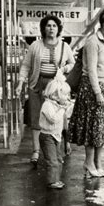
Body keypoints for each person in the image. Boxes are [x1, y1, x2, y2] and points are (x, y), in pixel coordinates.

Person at [68, 9, 104, 177]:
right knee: (92, 127)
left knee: (101, 128)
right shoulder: (92, 42)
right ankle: (88, 162)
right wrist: (98, 93)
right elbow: (91, 70)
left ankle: (97, 162)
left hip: (102, 87)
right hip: (92, 88)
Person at [16, 15, 74, 166]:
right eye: (48, 26)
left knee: (57, 118)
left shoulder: (64, 47)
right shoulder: (35, 45)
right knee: (36, 118)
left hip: (56, 88)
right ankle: (35, 151)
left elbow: (72, 64)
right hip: (37, 84)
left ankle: (57, 150)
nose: (51, 28)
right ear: (43, 29)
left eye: (54, 26)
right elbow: (26, 66)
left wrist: (65, 68)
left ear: (58, 29)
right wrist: (20, 83)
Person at [38, 70, 72, 190]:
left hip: (56, 136)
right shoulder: (47, 105)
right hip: (47, 136)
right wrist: (63, 109)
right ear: (55, 95)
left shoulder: (57, 105)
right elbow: (53, 119)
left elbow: (64, 122)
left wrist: (67, 108)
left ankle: (56, 179)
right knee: (52, 160)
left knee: (58, 159)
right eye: (66, 95)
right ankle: (52, 181)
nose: (68, 97)